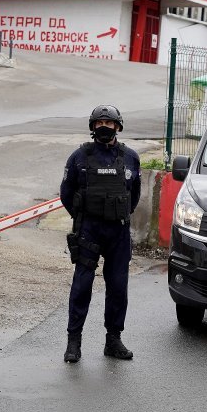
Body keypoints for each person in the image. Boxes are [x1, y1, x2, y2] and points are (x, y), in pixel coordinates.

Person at [60, 105, 141, 363]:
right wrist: (83, 218)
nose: (104, 127)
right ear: (93, 127)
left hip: (118, 231)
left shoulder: (130, 158)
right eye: (99, 123)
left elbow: (134, 196)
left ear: (118, 126)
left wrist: (116, 214)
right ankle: (74, 342)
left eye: (109, 123)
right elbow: (66, 193)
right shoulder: (79, 157)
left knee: (118, 287)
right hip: (89, 231)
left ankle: (113, 341)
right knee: (82, 285)